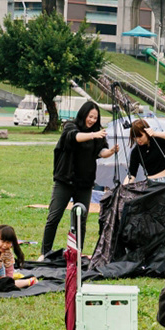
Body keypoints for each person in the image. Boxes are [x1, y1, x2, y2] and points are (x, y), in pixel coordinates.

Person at [42, 102, 114, 255]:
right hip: (65, 180)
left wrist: (110, 152)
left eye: (95, 118)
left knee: (80, 220)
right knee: (54, 216)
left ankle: (77, 254)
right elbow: (74, 137)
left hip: (84, 183)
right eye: (90, 116)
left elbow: (101, 151)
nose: (92, 120)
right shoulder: (70, 126)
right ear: (83, 114)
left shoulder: (97, 132)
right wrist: (93, 135)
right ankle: (45, 252)